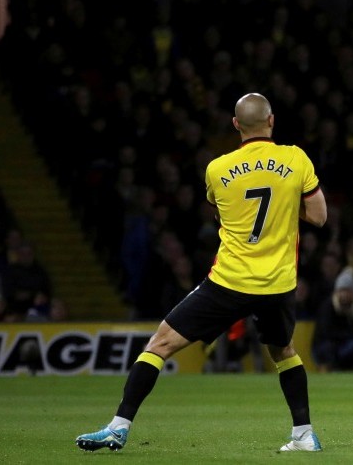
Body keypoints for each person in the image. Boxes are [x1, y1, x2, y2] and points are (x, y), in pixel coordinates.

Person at [75, 93, 328, 452]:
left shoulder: (217, 169)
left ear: (236, 124)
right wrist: (287, 206)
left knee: (159, 345)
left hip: (229, 280)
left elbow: (222, 215)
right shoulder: (295, 158)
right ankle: (303, 435)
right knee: (284, 351)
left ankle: (119, 426)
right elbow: (319, 217)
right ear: (271, 121)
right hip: (277, 282)